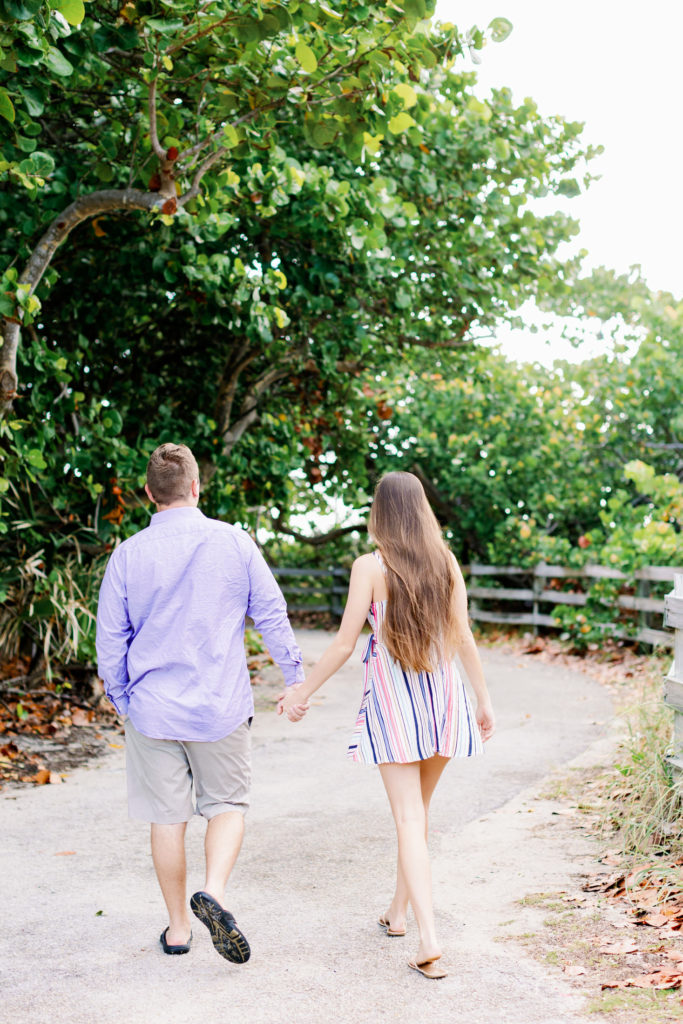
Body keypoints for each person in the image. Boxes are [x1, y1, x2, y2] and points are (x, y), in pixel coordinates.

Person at [280, 471, 494, 980]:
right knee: (417, 816)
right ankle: (398, 914)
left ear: (380, 513)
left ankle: (429, 939)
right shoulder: (445, 562)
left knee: (407, 820)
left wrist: (300, 693)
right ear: (421, 510)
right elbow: (463, 635)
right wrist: (483, 701)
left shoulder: (370, 567)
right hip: (444, 701)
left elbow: (342, 643)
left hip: (396, 706)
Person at [96, 442, 304, 963]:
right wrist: (294, 678)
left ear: (148, 494)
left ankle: (179, 929)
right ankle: (214, 891)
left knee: (167, 818)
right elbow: (272, 615)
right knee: (227, 806)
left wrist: (123, 698)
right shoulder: (234, 543)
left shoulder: (128, 554)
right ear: (195, 487)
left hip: (152, 710)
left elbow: (110, 640)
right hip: (220, 707)